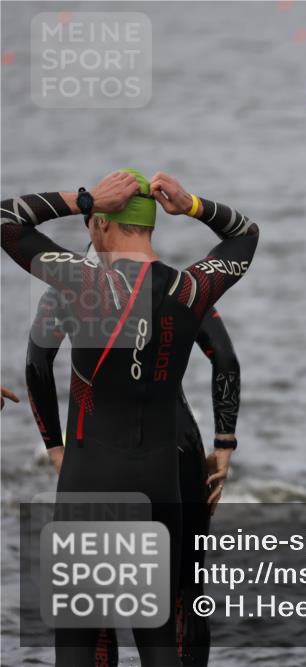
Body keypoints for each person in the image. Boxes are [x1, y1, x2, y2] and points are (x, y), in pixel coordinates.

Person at [1, 168, 258, 666]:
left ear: (99, 225)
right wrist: (195, 206)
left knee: (81, 637)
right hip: (160, 481)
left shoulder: (77, 280)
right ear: (151, 227)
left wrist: (81, 198)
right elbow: (245, 234)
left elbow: (6, 219)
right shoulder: (191, 290)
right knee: (161, 639)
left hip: (90, 477)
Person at [26, 276, 241, 667]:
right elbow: (225, 357)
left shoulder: (70, 289)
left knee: (91, 604)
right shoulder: (181, 286)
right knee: (184, 592)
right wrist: (224, 442)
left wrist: (54, 447)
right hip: (177, 449)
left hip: (98, 455)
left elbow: (37, 363)